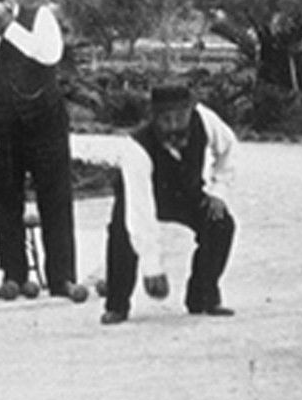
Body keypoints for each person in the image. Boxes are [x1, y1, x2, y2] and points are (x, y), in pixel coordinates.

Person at [0, 0, 86, 302]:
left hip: (44, 120)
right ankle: (14, 275)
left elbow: (48, 55)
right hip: (0, 123)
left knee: (55, 196)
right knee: (4, 198)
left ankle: (62, 277)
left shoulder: (39, 17)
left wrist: (10, 29)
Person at [100, 83, 238, 325]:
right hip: (141, 196)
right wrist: (152, 267)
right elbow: (140, 212)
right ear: (153, 117)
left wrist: (219, 191)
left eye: (180, 118)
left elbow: (229, 149)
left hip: (185, 192)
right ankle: (117, 305)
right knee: (122, 233)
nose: (174, 126)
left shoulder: (205, 120)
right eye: (166, 119)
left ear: (191, 111)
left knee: (221, 223)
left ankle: (203, 297)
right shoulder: (137, 148)